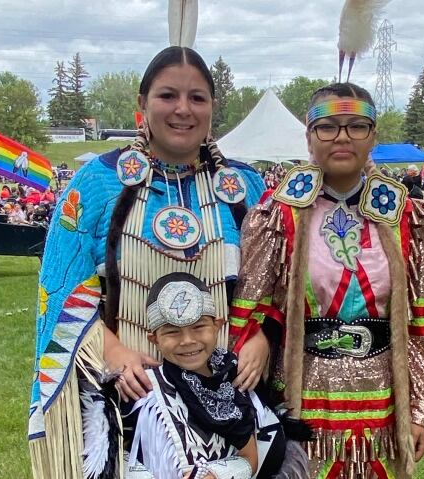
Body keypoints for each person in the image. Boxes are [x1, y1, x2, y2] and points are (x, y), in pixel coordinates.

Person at [28, 46, 267, 478]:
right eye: (167, 95)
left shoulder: (244, 186)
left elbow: (276, 281)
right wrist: (113, 350)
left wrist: (264, 336)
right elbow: (60, 288)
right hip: (130, 395)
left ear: (213, 107)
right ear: (142, 105)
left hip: (230, 394)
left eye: (197, 98)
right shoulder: (99, 183)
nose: (182, 109)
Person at [229, 83, 424, 478]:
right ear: (309, 137)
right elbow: (252, 302)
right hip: (303, 396)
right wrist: (256, 332)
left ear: (373, 135)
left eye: (356, 126)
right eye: (327, 126)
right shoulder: (278, 216)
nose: (342, 136)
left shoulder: (407, 218)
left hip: (381, 403)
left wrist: (422, 408)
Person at [121, 273, 306, 479]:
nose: (188, 340)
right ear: (154, 339)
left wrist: (212, 475)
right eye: (173, 332)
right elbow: (118, 451)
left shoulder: (237, 380)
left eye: (199, 327)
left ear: (217, 326)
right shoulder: (142, 389)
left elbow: (249, 459)